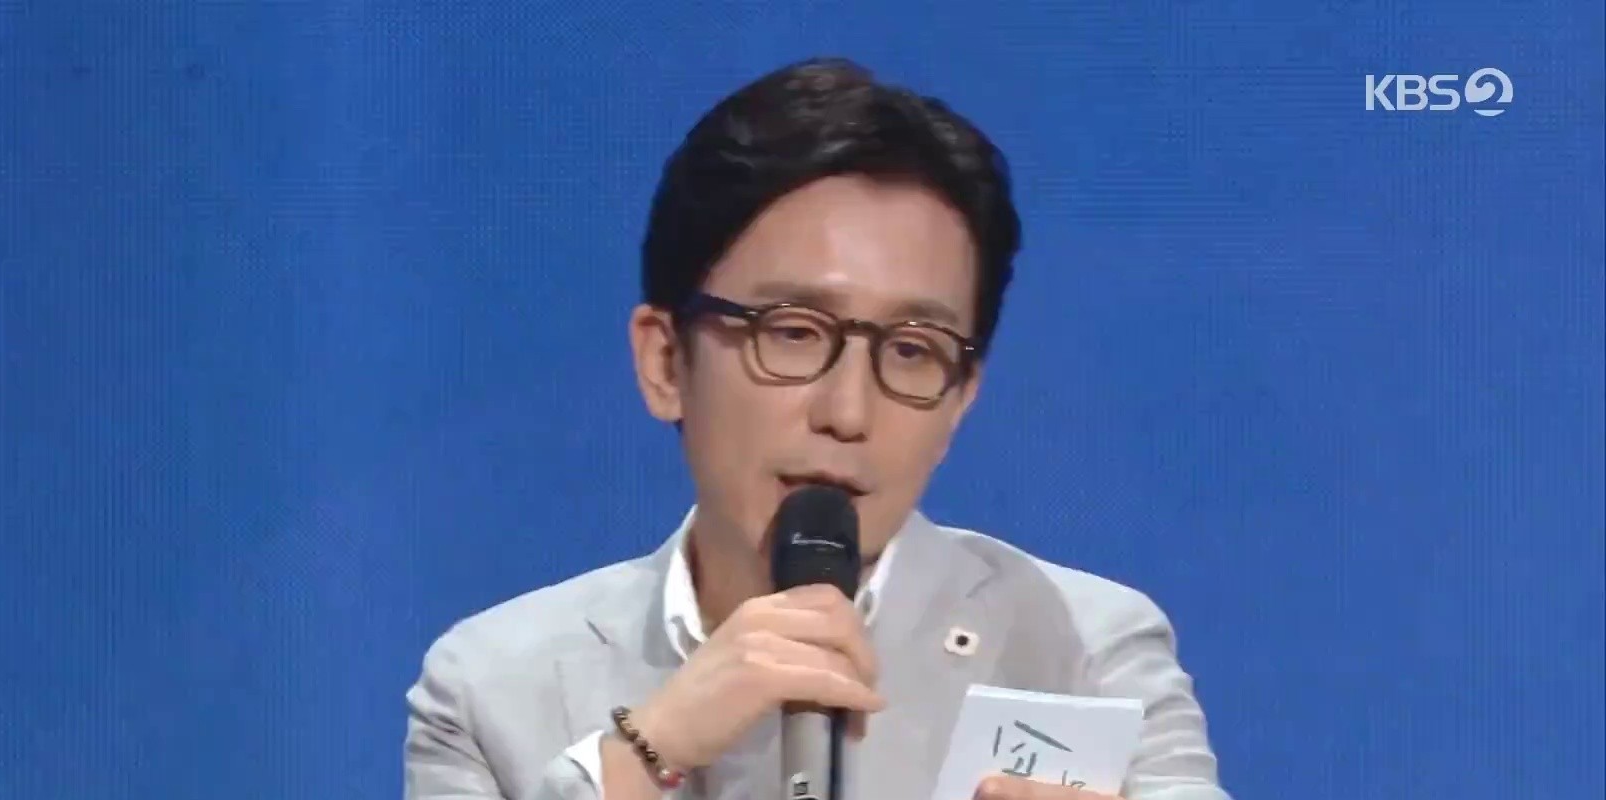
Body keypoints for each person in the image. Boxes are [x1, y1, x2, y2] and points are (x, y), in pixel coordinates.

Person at [402, 57, 1230, 800]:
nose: (847, 412)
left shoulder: (1082, 651)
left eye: (913, 350)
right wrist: (645, 756)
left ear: (960, 399)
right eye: (794, 332)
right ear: (665, 361)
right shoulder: (492, 691)